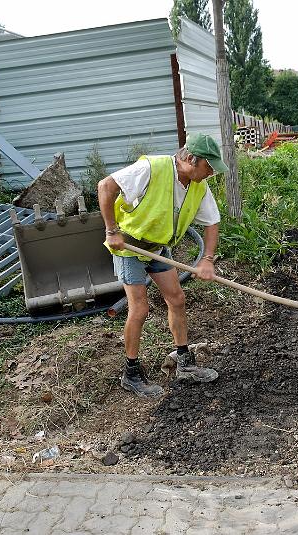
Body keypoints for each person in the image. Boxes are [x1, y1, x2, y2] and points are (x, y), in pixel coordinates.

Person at [98, 133, 227, 398]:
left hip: (157, 249)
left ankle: (184, 363)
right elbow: (105, 186)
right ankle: (131, 373)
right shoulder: (152, 168)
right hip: (130, 248)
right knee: (140, 307)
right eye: (209, 167)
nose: (211, 173)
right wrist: (112, 230)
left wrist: (208, 259)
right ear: (191, 159)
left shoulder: (198, 185)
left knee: (177, 299)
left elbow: (212, 222)